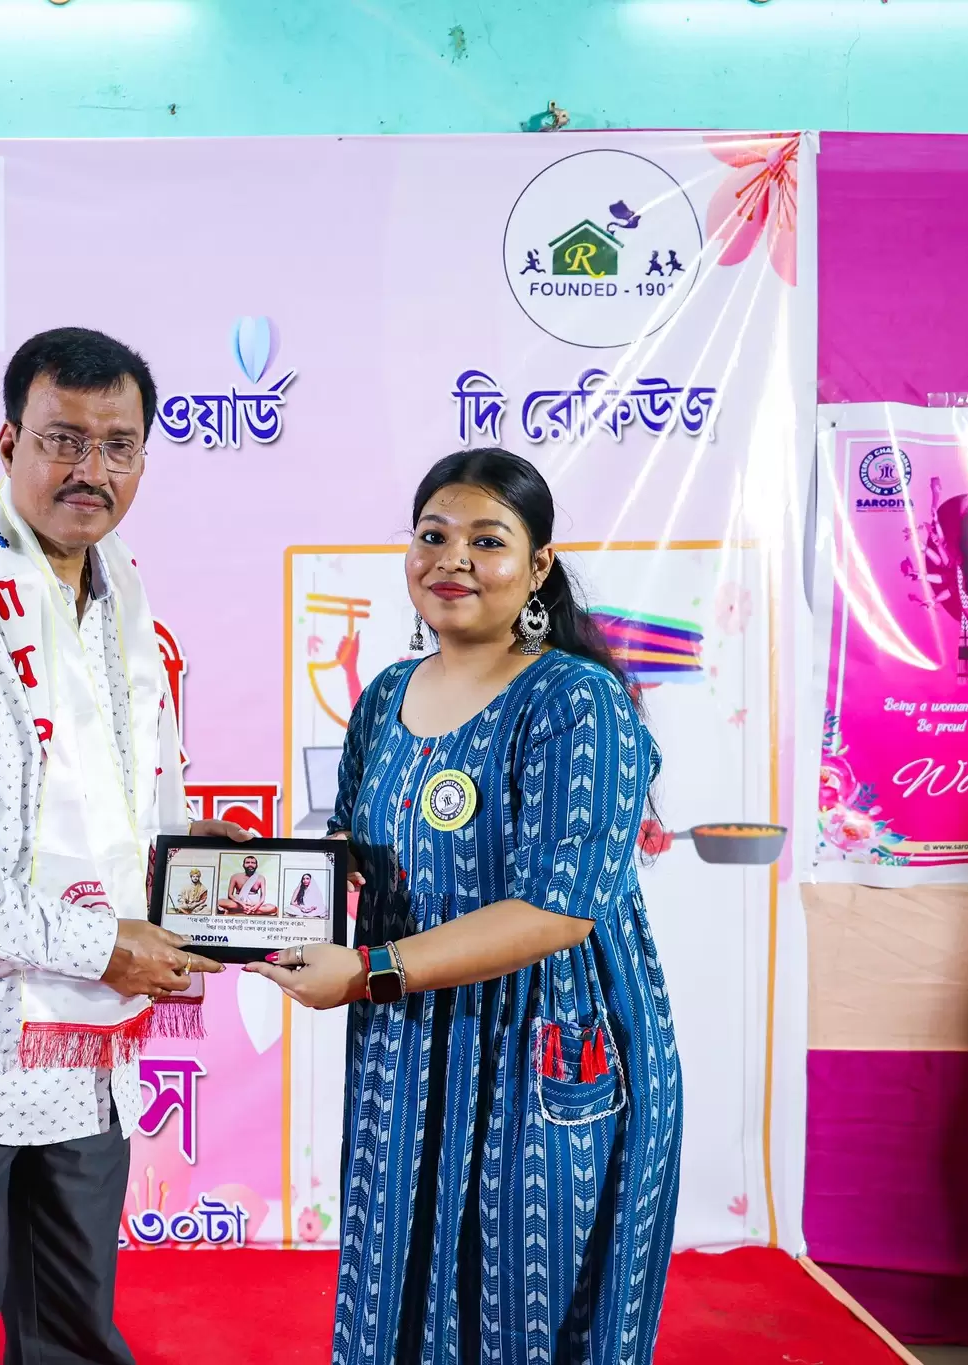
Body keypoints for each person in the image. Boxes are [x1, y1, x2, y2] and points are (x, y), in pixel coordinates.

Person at [0, 326, 244, 1365]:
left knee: (70, 1337)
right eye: (63, 439)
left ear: (144, 458)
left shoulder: (122, 598)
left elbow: (116, 804)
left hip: (81, 1057)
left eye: (118, 445)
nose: (89, 469)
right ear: (9, 442)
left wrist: (200, 864)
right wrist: (95, 944)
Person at [250, 448, 683, 1365]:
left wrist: (368, 971)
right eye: (433, 535)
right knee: (397, 1295)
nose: (452, 559)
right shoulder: (384, 696)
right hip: (407, 1052)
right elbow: (360, 856)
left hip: (540, 1042)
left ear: (538, 564)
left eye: (487, 540)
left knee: (523, 1307)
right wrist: (251, 880)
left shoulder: (579, 701)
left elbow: (559, 911)